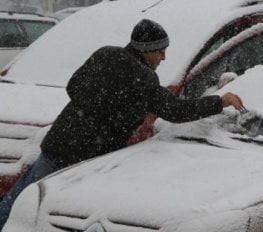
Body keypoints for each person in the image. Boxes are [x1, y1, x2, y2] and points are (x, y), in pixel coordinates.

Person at [0, 19, 244, 227]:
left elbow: (73, 86)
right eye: (160, 51)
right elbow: (175, 110)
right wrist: (219, 102)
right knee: (59, 213)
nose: (163, 56)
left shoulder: (105, 54)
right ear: (146, 49)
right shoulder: (143, 77)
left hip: (60, 142)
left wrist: (92, 110)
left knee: (23, 201)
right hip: (86, 157)